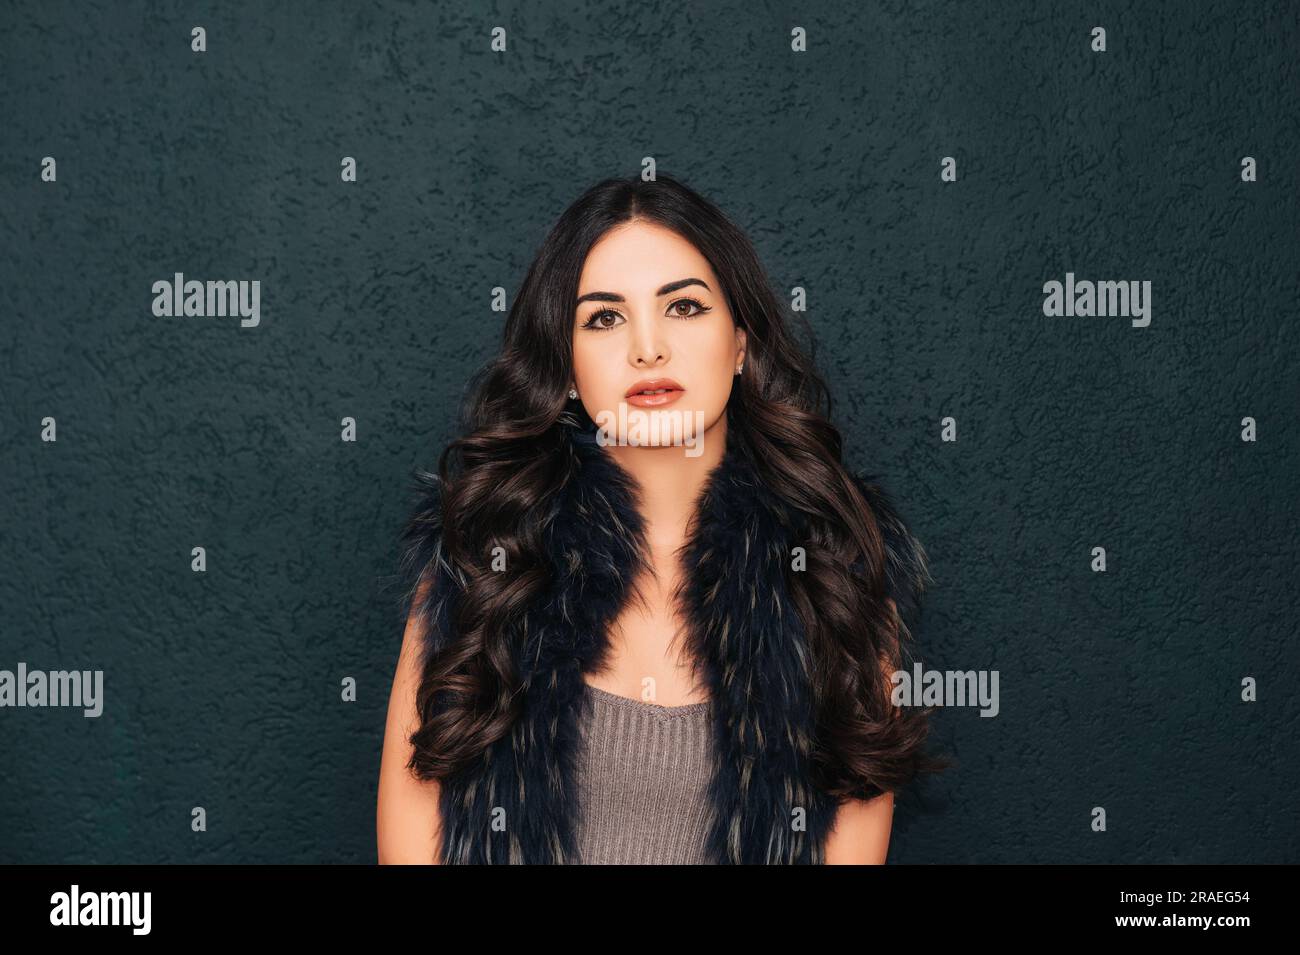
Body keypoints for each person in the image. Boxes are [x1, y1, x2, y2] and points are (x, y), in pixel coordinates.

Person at [377, 172, 943, 864]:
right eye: (604, 317)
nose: (647, 347)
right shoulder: (479, 570)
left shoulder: (832, 575)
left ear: (740, 342)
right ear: (566, 367)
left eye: (684, 307)